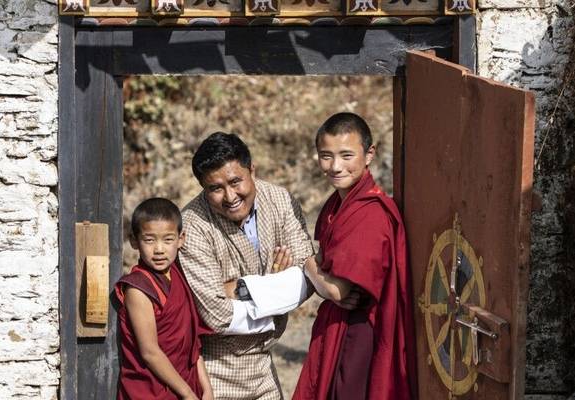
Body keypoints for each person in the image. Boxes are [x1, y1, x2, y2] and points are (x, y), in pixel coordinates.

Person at [180, 132, 314, 399]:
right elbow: (217, 316)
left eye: (235, 181)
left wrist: (241, 288)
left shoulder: (279, 199)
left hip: (264, 367)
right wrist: (277, 289)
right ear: (203, 188)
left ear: (252, 169)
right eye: (215, 188)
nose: (230, 196)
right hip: (216, 371)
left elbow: (308, 275)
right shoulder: (192, 226)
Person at [293, 113, 417, 400]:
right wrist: (323, 278)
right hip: (342, 325)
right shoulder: (340, 203)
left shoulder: (370, 213)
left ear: (369, 154)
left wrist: (307, 263)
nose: (336, 166)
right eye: (326, 156)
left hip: (361, 333)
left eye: (346, 155)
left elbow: (337, 290)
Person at [114, 198, 213, 400]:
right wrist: (187, 394)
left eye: (168, 240)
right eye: (149, 240)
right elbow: (150, 352)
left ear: (181, 239)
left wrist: (206, 388)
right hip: (152, 390)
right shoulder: (138, 289)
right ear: (134, 241)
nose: (159, 249)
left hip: (186, 384)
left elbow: (192, 343)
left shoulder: (179, 276)